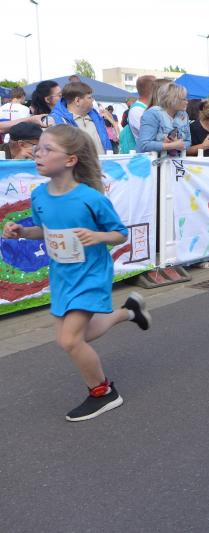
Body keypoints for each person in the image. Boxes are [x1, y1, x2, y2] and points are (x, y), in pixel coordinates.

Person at [2, 124, 151, 422]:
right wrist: (23, 232)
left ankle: (103, 392)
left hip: (91, 273)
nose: (37, 153)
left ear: (70, 160)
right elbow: (44, 231)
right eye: (38, 147)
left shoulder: (91, 198)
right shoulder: (40, 196)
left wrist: (97, 236)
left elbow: (119, 234)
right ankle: (129, 312)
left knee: (69, 341)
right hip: (61, 274)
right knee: (81, 335)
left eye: (47, 149)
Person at [49, 82, 113, 155]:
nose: (93, 100)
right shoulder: (54, 122)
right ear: (77, 101)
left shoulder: (97, 117)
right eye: (89, 97)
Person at [136, 83, 191, 154]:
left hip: (173, 160)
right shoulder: (153, 113)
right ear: (173, 99)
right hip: (152, 160)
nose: (187, 102)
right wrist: (172, 145)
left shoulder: (183, 115)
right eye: (184, 99)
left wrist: (179, 145)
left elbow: (188, 142)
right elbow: (144, 145)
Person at [118, 76, 155, 154]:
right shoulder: (137, 110)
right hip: (145, 156)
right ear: (151, 90)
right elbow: (149, 136)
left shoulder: (145, 108)